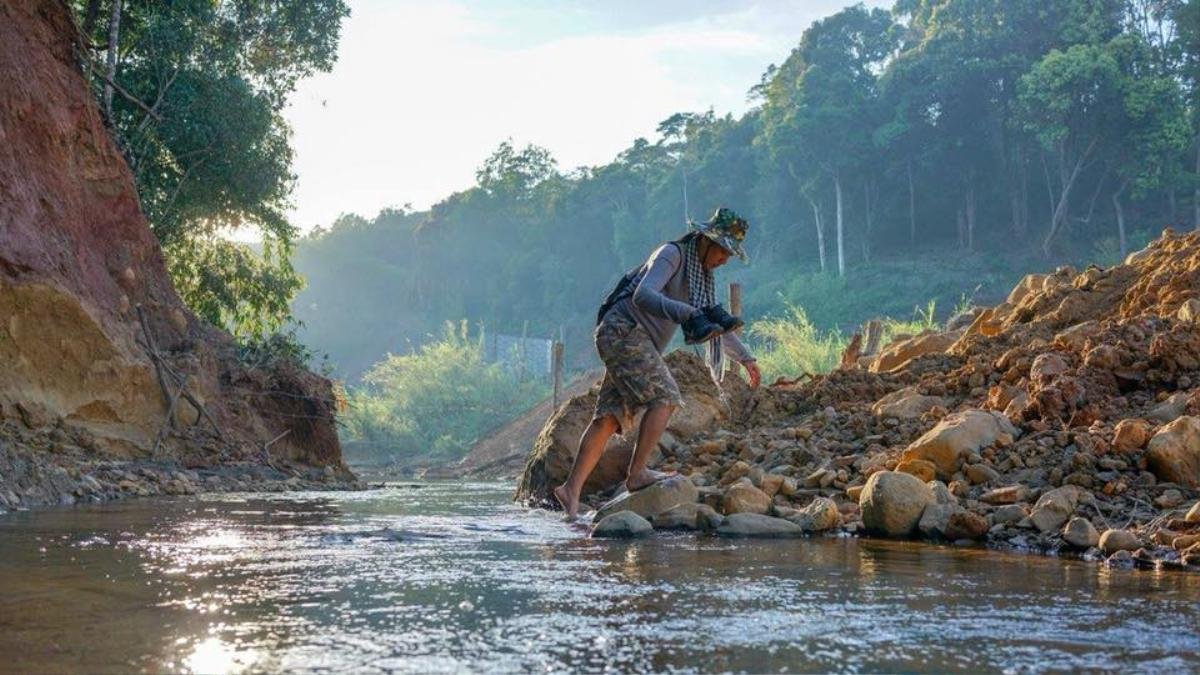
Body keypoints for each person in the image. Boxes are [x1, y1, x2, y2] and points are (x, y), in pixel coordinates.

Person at [554, 207, 760, 521]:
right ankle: (636, 474)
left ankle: (570, 490)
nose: (724, 260)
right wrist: (685, 313)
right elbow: (643, 295)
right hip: (623, 332)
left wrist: (746, 358)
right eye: (722, 251)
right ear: (705, 240)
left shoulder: (699, 278)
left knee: (609, 418)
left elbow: (710, 324)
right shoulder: (671, 255)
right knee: (665, 398)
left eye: (729, 255)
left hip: (632, 340)